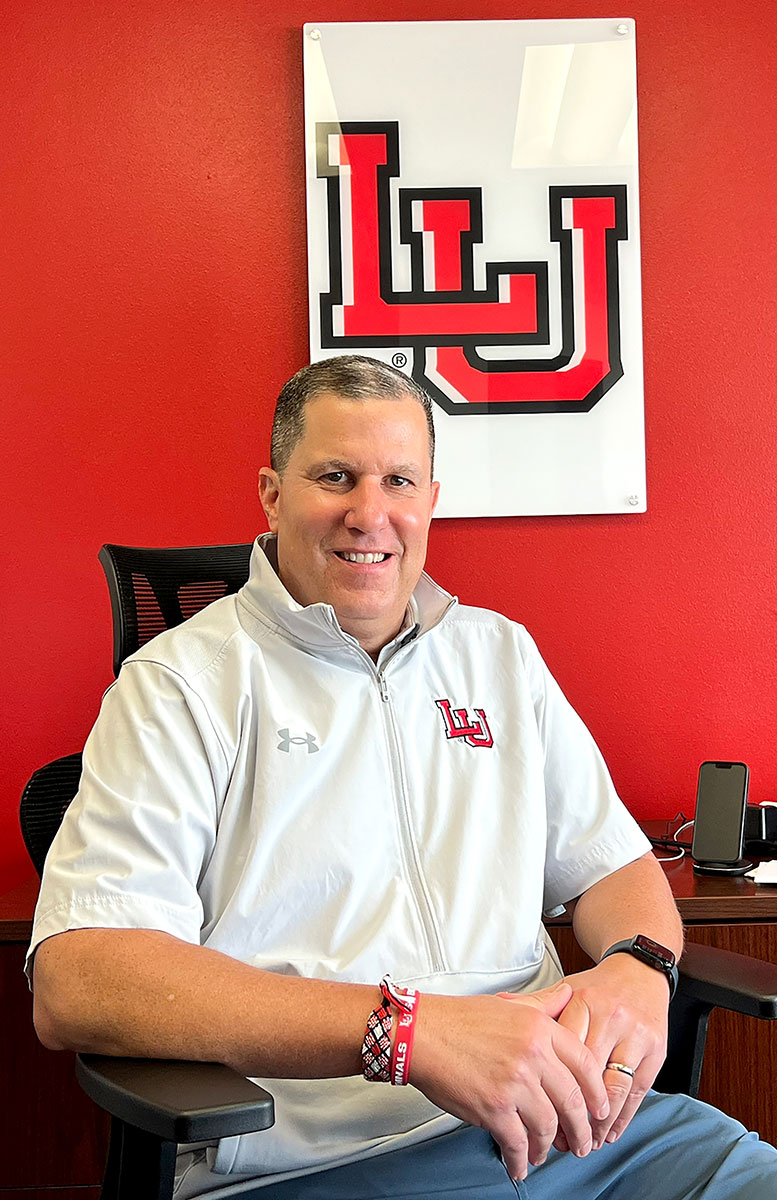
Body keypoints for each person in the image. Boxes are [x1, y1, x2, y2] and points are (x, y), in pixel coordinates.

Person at [28, 355, 777, 1199]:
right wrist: (409, 1032)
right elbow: (80, 977)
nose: (369, 513)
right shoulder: (180, 686)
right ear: (273, 494)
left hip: (579, 1133)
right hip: (327, 1161)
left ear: (430, 499)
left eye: (398, 480)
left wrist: (639, 966)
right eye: (336, 476)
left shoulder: (499, 656)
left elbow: (611, 865)